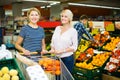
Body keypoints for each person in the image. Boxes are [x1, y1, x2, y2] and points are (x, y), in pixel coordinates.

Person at [49, 9, 78, 73]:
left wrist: (62, 51)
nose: (63, 18)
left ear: (70, 18)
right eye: (62, 16)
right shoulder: (57, 28)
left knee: (65, 77)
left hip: (67, 59)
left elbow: (74, 47)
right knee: (57, 77)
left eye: (65, 16)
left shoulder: (73, 31)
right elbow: (53, 41)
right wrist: (52, 48)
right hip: (56, 58)